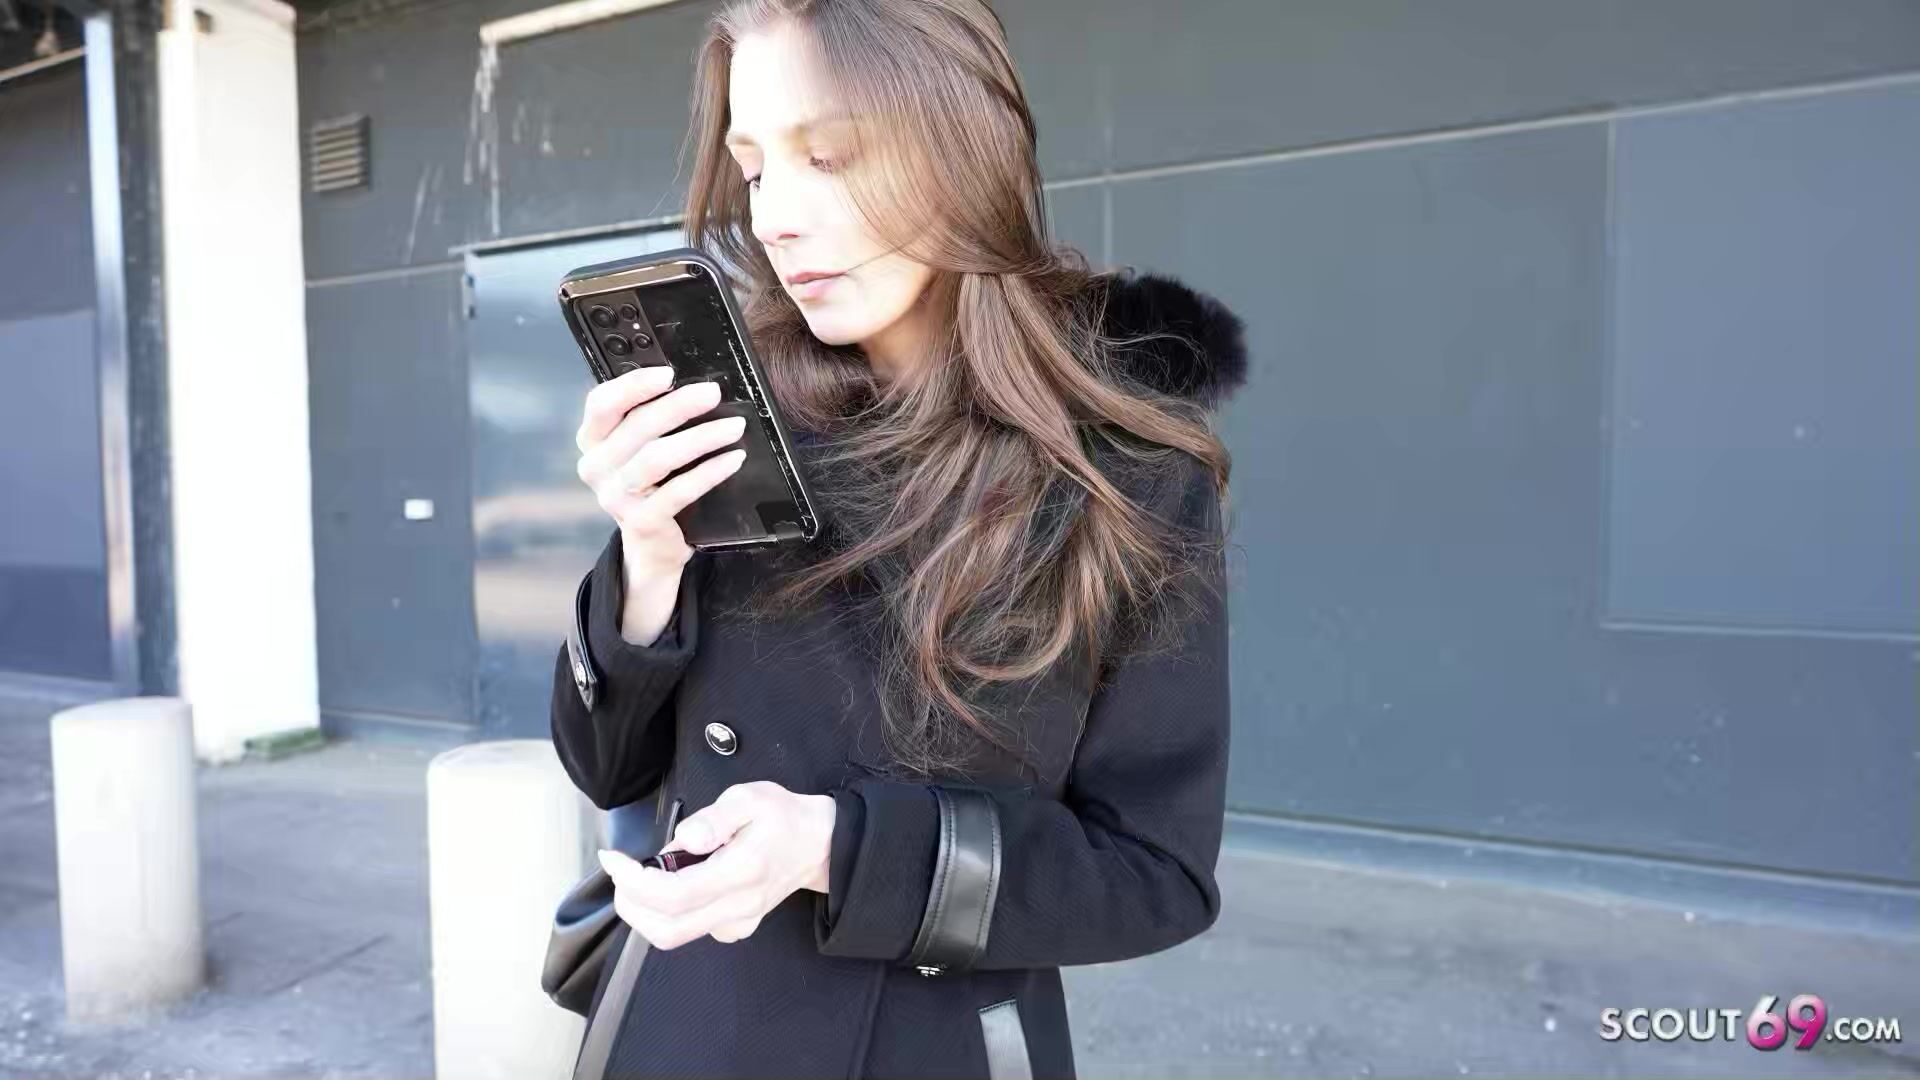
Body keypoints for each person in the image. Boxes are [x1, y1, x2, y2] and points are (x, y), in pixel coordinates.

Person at [550, 1, 1248, 1076]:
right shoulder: (735, 422)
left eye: (828, 156)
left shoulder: (1126, 472)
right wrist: (648, 557)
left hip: (930, 1046)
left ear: (963, 149)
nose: (775, 218)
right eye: (754, 168)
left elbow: (1154, 874)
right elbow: (607, 769)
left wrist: (837, 850)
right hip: (680, 1026)